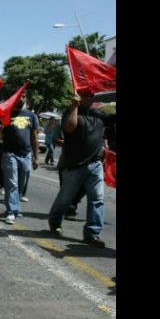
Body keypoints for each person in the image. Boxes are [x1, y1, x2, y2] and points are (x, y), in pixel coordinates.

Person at [47, 91, 114, 247]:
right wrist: (74, 106)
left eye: (91, 96)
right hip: (74, 165)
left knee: (97, 199)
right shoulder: (71, 113)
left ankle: (92, 233)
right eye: (84, 95)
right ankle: (55, 222)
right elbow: (69, 128)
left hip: (95, 165)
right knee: (65, 198)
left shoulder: (99, 114)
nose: (88, 98)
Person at [0, 93, 39, 224]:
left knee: (22, 183)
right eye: (19, 96)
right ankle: (11, 211)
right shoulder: (6, 113)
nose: (21, 98)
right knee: (12, 183)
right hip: (9, 153)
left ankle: (14, 206)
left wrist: (36, 157)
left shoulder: (31, 115)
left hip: (26, 154)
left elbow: (34, 137)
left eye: (24, 96)